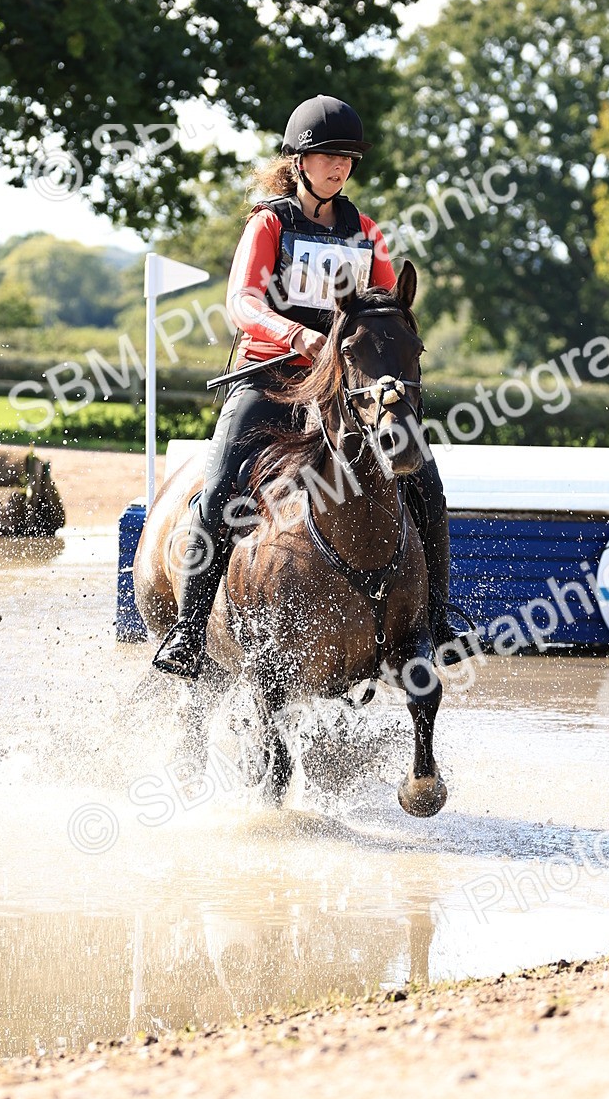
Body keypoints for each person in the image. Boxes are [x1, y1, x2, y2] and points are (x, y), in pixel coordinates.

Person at [153, 94, 469, 678]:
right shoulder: (270, 223)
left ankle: (437, 619)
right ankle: (189, 629)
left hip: (345, 386)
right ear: (299, 161)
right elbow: (242, 302)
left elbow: (380, 306)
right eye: (327, 156)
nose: (338, 167)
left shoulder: (366, 231)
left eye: (347, 158)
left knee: (423, 478)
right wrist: (299, 338)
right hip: (271, 377)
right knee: (221, 487)